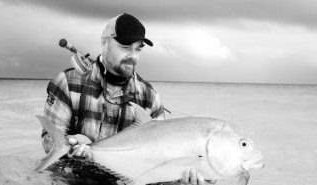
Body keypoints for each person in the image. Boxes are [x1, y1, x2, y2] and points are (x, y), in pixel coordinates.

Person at [41, 13, 207, 185]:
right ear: (104, 43)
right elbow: (49, 141)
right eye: (125, 47)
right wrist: (73, 144)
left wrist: (180, 179)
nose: (133, 56)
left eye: (138, 49)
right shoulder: (68, 82)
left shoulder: (150, 97)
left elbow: (157, 165)